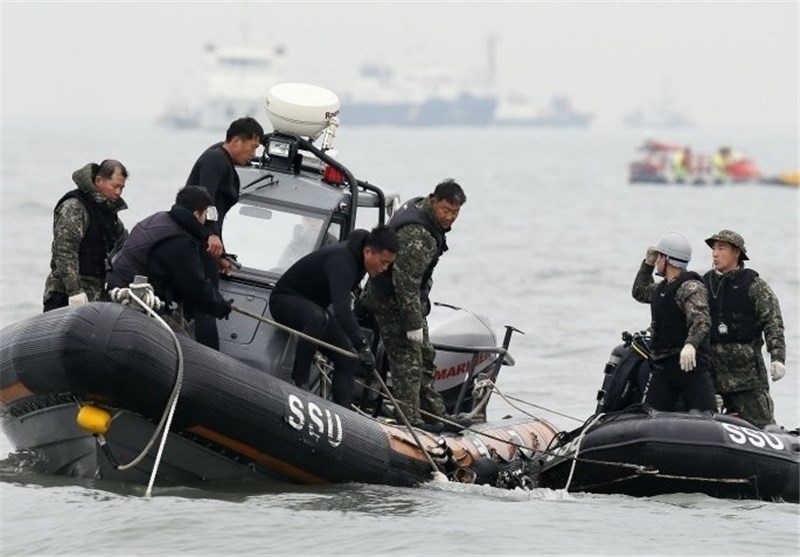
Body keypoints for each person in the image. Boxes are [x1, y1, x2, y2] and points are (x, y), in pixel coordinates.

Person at [364, 179, 467, 427]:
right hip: (391, 301)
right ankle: (409, 419)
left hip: (409, 302)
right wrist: (413, 325)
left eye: (455, 212)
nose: (449, 217)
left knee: (425, 357)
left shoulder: (423, 212)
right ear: (433, 200)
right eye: (445, 210)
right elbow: (406, 283)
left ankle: (435, 414)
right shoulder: (419, 234)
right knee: (407, 361)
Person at [269, 226, 399, 409]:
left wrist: (358, 349)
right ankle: (300, 384)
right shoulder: (343, 260)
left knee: (348, 358)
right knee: (318, 318)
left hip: (316, 308)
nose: (384, 268)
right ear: (368, 251)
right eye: (383, 262)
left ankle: (343, 414)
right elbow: (341, 311)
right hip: (284, 300)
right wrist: (362, 344)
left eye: (388, 265)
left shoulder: (359, 258)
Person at [106, 186, 232, 343]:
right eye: (205, 214)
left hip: (116, 284)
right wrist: (221, 306)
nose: (206, 219)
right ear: (197, 214)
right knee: (183, 348)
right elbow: (195, 287)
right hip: (135, 298)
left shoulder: (160, 219)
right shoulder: (180, 242)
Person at [185, 116, 264, 348]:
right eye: (252, 147)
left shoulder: (226, 163)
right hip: (198, 239)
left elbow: (215, 210)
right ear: (237, 142)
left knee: (207, 302)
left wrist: (221, 254)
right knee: (208, 304)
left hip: (205, 239)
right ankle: (209, 361)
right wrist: (210, 235)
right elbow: (205, 198)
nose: (253, 153)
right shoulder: (215, 159)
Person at [702, 230, 785, 427]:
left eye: (721, 248)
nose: (714, 253)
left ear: (736, 253)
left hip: (747, 377)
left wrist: (777, 357)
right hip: (713, 374)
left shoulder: (755, 286)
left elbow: (773, 322)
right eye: (714, 248)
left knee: (763, 425)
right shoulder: (704, 284)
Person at [631, 232, 716, 413]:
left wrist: (691, 345)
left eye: (659, 257)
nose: (657, 262)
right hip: (662, 365)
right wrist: (647, 264)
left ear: (666, 259)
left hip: (689, 366)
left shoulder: (690, 287)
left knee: (705, 414)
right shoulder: (661, 288)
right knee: (649, 414)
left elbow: (702, 320)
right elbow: (639, 291)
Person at [43, 160, 129, 312]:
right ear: (98, 180)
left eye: (121, 188)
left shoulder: (109, 214)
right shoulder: (74, 207)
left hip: (97, 294)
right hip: (65, 293)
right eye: (115, 186)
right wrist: (74, 291)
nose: (118, 192)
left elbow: (124, 245)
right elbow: (65, 250)